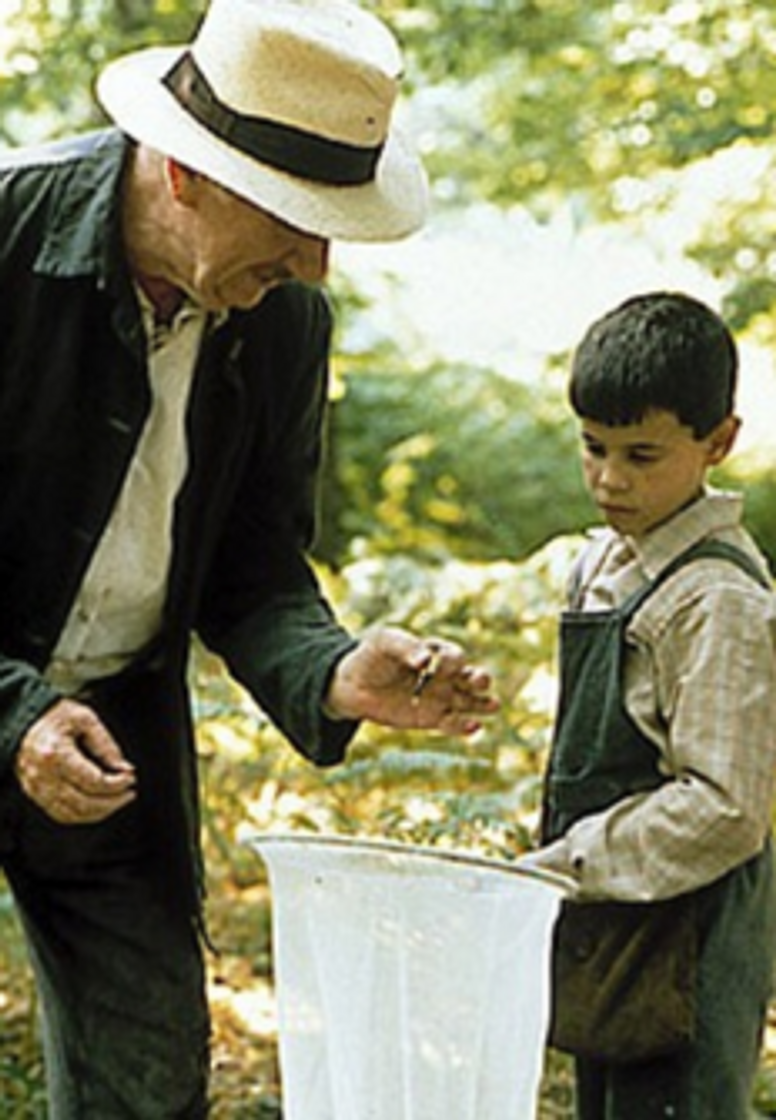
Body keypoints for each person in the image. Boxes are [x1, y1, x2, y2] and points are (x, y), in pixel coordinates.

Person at [0, 1, 498, 1115]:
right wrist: (12, 713)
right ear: (183, 172)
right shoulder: (7, 239)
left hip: (114, 731)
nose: (316, 263)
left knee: (150, 1076)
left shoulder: (280, 318)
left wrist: (329, 666)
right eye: (294, 218)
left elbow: (256, 567)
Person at [518, 291, 776, 1119]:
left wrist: (570, 863)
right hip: (613, 933)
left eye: (642, 455)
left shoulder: (716, 600)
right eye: (592, 449)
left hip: (689, 948)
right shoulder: (605, 565)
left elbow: (728, 807)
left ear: (718, 443)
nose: (609, 479)